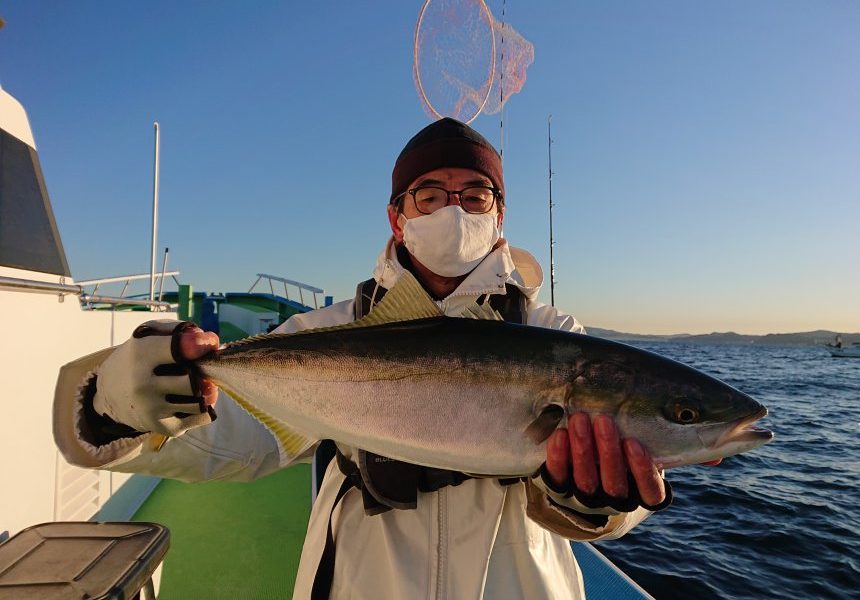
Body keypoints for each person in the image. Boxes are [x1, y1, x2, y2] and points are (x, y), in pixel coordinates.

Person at [54, 118, 669, 599]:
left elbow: (620, 496)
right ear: (397, 219)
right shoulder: (328, 332)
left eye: (475, 194)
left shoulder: (554, 335)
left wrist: (599, 506)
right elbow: (235, 440)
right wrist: (111, 409)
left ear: (499, 216)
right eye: (429, 195)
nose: (454, 209)